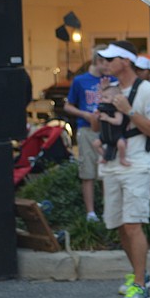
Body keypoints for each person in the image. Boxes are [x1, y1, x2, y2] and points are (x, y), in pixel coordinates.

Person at [94, 41, 150, 298]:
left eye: (110, 60)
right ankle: (140, 274)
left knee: (133, 224)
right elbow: (95, 125)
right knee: (120, 225)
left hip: (136, 164)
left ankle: (139, 285)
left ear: (125, 61)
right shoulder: (109, 89)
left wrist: (128, 111)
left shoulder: (147, 91)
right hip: (111, 163)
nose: (105, 64)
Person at [62, 46, 109, 222]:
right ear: (98, 61)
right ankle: (90, 213)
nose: (109, 66)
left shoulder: (110, 80)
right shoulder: (80, 81)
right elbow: (68, 105)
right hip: (86, 129)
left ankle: (107, 209)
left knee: (105, 171)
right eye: (106, 62)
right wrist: (85, 114)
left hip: (106, 129)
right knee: (87, 171)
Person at [92, 85, 129, 166]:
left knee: (121, 144)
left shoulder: (116, 110)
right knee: (95, 144)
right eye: (102, 97)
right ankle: (104, 156)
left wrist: (107, 118)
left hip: (116, 135)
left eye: (105, 97)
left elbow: (118, 121)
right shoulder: (102, 109)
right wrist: (97, 116)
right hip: (105, 136)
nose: (102, 100)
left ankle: (122, 158)